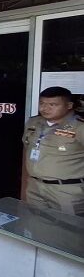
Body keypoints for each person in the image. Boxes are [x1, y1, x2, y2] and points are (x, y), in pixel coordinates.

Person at [22, 86, 83, 216]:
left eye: (53, 105)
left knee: (67, 226)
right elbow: (27, 150)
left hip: (66, 191)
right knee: (35, 223)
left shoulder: (79, 127)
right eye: (42, 103)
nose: (45, 108)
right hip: (35, 186)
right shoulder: (33, 122)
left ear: (69, 105)